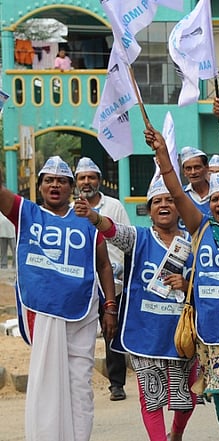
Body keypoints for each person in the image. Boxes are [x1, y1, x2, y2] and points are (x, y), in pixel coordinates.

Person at [147, 128, 219, 441]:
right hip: (212, 343)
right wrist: (162, 155)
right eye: (214, 200)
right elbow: (176, 192)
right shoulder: (201, 229)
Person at [0, 156, 117, 441]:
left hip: (83, 313)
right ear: (39, 187)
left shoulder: (88, 221)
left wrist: (110, 308)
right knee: (47, 382)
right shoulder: (26, 213)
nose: (55, 185)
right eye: (48, 180)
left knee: (80, 386)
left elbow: (104, 265)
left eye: (61, 181)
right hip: (44, 310)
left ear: (71, 187)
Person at [75, 176, 197, 441]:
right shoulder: (138, 237)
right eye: (157, 202)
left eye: (169, 200)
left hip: (183, 334)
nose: (163, 205)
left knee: (186, 397)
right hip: (145, 333)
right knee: (151, 398)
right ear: (149, 209)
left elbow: (205, 282)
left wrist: (186, 284)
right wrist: (93, 216)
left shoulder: (195, 241)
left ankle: (176, 433)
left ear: (179, 206)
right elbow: (111, 230)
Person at [72, 156, 132, 401]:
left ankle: (116, 384)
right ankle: (77, 385)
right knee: (80, 334)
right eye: (82, 178)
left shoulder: (114, 206)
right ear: (76, 182)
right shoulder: (69, 210)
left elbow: (127, 238)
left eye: (91, 177)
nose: (87, 182)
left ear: (99, 180)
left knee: (111, 331)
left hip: (112, 281)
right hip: (83, 285)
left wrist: (122, 269)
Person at [179, 147, 211, 216]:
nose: (193, 172)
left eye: (197, 167)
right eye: (188, 169)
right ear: (184, 172)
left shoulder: (217, 192)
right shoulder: (181, 194)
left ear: (206, 168)